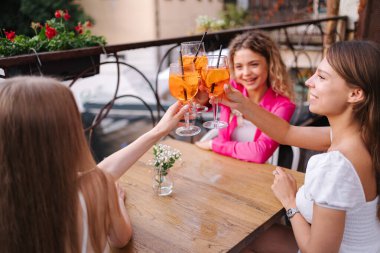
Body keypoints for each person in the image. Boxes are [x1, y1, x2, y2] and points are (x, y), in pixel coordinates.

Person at [217, 40, 380, 252]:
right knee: (240, 233)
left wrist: (290, 201)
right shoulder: (364, 135)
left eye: (321, 77)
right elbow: (287, 133)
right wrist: (239, 102)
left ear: (355, 94)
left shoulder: (334, 166)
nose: (309, 82)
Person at [0, 76, 188, 253]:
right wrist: (115, 198)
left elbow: (96, 174)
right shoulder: (94, 189)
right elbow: (120, 239)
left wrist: (158, 131)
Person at [196, 31, 295, 163]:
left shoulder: (283, 105)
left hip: (258, 174)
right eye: (239, 67)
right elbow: (204, 104)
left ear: (270, 64)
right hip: (224, 165)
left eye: (254, 64)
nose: (246, 73)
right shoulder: (232, 88)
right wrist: (198, 92)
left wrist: (213, 145)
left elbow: (259, 153)